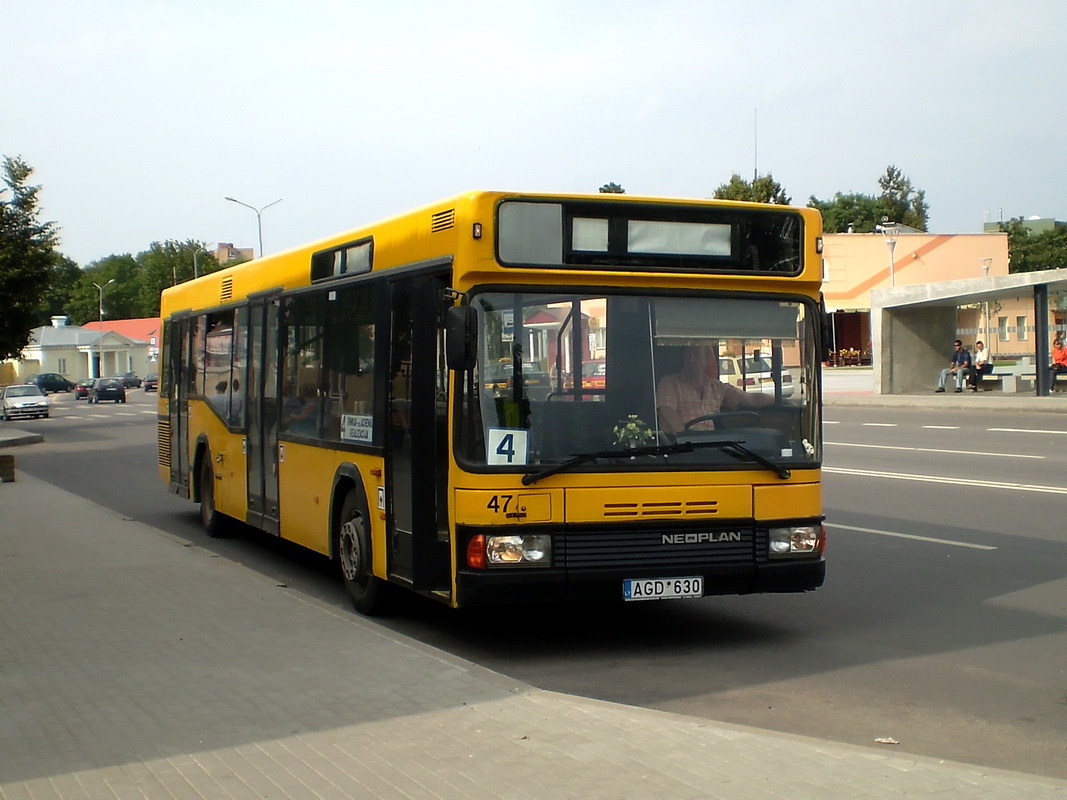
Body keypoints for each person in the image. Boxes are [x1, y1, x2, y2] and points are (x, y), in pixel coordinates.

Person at [657, 345, 773, 433]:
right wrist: (686, 440)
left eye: (697, 355)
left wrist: (777, 399)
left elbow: (751, 399)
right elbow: (667, 413)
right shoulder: (669, 382)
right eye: (688, 355)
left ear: (707, 360)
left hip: (712, 447)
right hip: (681, 451)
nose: (691, 360)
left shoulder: (718, 387)